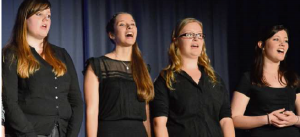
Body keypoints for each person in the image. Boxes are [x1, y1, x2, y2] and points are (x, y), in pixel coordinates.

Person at [2, 0, 83, 136]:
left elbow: (76, 102)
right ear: (25, 18)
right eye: (39, 14)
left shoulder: (61, 54)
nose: (46, 19)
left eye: (49, 15)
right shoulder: (12, 54)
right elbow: (10, 103)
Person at [150, 18, 235, 137]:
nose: (195, 38)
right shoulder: (166, 79)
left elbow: (226, 120)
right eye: (189, 34)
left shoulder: (215, 79)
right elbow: (159, 123)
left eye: (199, 35)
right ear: (176, 40)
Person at [84, 12, 154, 137]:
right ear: (111, 34)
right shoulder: (98, 65)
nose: (129, 27)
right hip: (109, 132)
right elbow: (92, 111)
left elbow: (146, 113)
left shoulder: (143, 68)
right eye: (122, 24)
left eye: (132, 24)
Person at [231, 25, 300, 137]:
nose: (283, 44)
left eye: (286, 40)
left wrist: (295, 120)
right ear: (261, 45)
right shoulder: (249, 78)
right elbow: (234, 119)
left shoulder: (292, 78)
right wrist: (267, 119)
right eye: (276, 39)